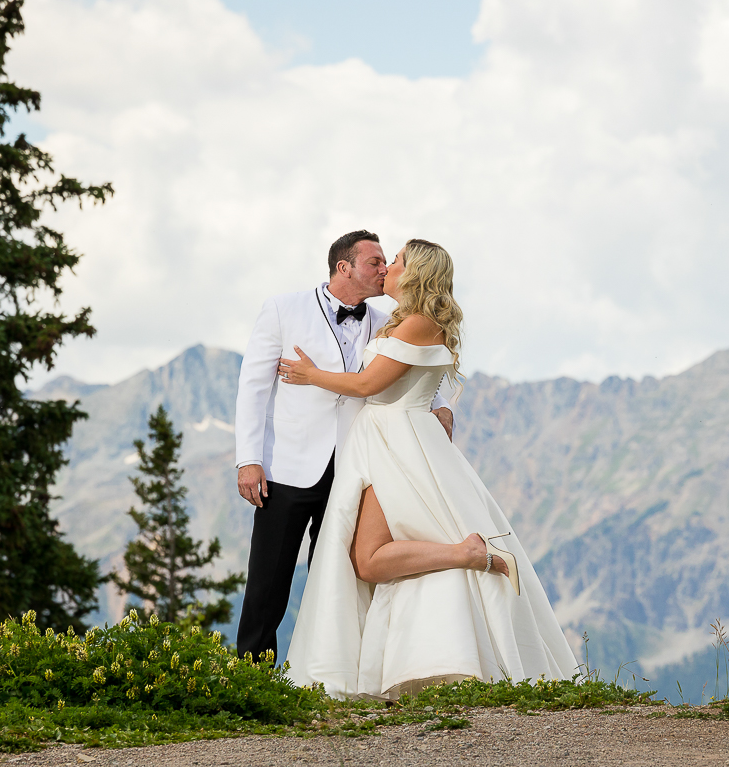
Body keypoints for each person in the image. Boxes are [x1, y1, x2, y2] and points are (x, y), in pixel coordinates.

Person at [281, 239, 576, 699]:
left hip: (397, 443)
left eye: (395, 260)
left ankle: (469, 555)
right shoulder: (405, 321)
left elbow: (367, 384)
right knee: (367, 560)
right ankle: (462, 562)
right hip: (383, 439)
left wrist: (310, 375)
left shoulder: (419, 323)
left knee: (367, 559)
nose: (387, 267)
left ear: (415, 272)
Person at [233, 231, 454, 662]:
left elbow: (413, 366)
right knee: (268, 579)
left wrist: (442, 405)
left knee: (335, 577)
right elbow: (252, 387)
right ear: (344, 267)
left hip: (357, 465)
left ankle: (324, 670)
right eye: (375, 262)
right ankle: (251, 676)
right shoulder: (283, 308)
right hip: (288, 467)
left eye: (388, 262)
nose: (384, 269)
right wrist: (249, 460)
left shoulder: (387, 319)